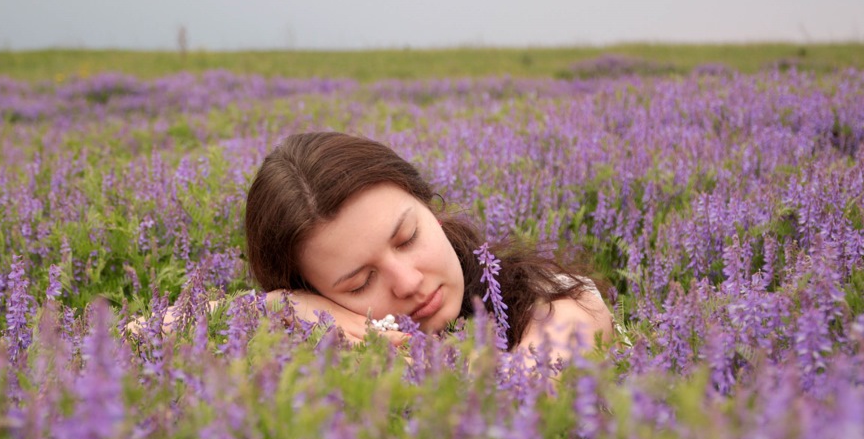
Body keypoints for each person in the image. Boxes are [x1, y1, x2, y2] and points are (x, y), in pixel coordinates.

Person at [244, 132, 613, 364]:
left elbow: (520, 400)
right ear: (315, 292)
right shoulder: (299, 342)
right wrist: (282, 305)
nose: (408, 282)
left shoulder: (548, 298)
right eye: (359, 283)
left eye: (407, 238)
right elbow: (189, 317)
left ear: (432, 211)